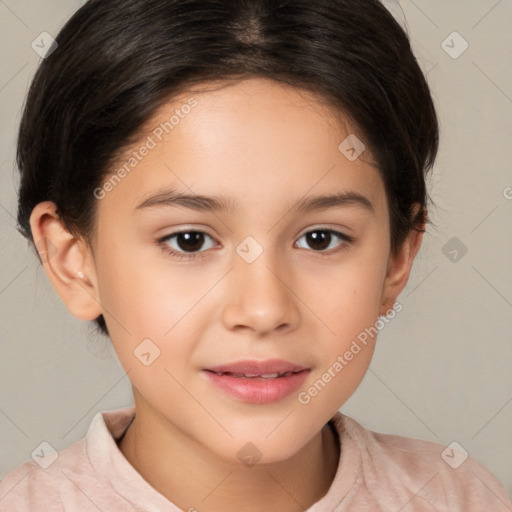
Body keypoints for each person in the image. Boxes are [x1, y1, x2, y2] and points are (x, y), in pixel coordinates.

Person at [1, 0, 510, 510]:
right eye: (189, 240)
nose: (264, 310)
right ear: (73, 261)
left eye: (320, 238)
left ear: (398, 256)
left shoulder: (458, 497)